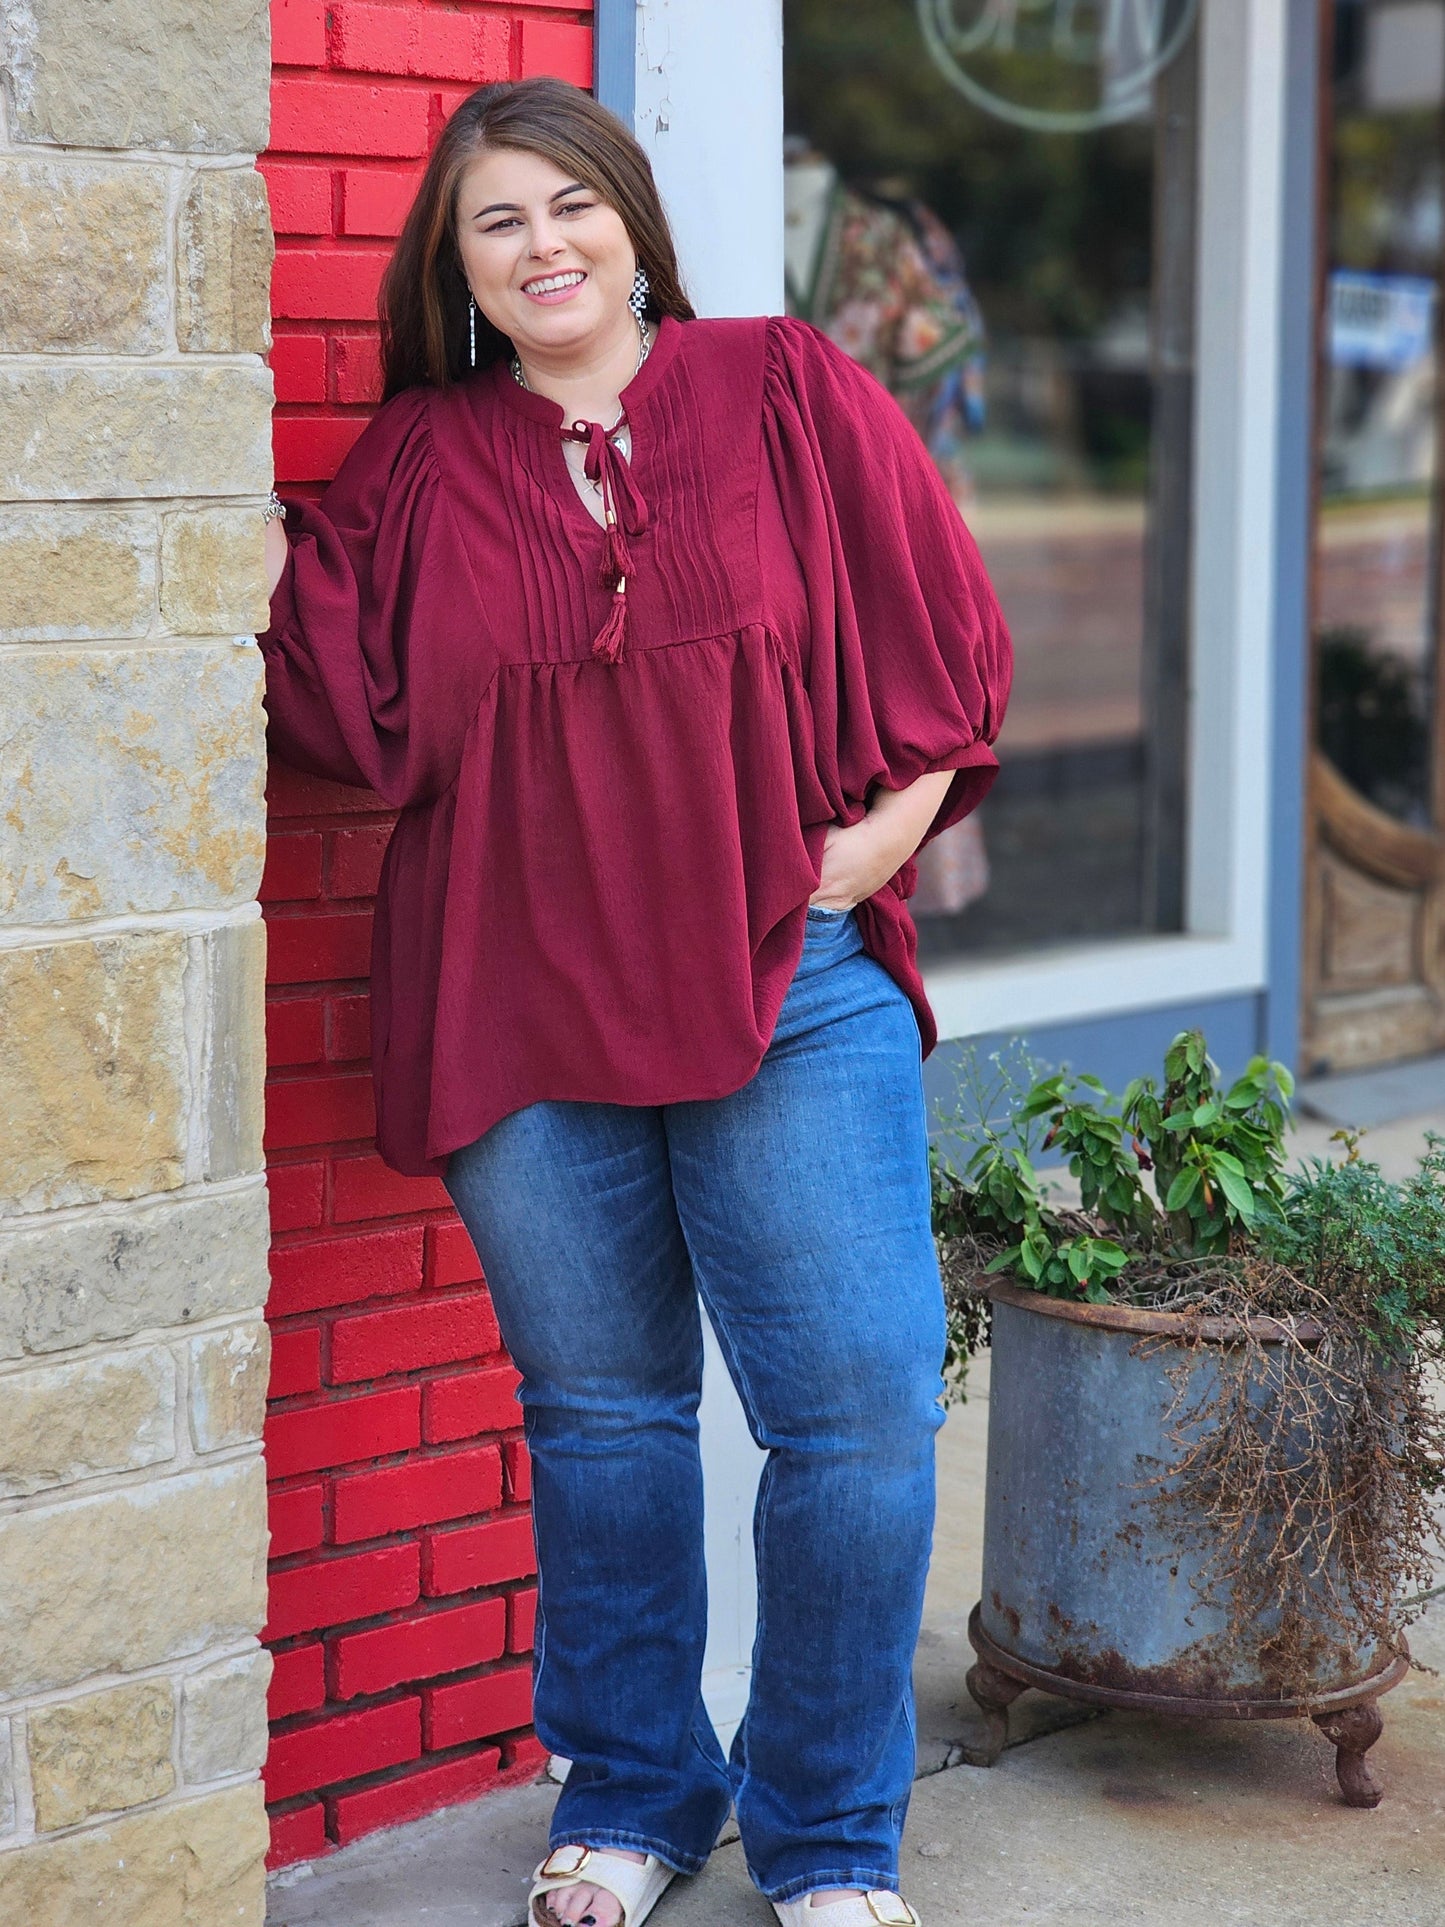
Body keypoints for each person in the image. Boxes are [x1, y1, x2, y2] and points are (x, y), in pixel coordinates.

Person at [259, 76, 1011, 1927]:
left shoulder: (782, 387)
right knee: (601, 1421)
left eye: (568, 204)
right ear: (456, 268)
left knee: (854, 1416)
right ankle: (631, 1794)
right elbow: (347, 709)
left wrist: (871, 843)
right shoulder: (419, 459)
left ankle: (827, 1832)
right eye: (495, 222)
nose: (542, 246)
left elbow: (943, 632)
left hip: (787, 980)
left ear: (631, 222)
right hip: (518, 999)